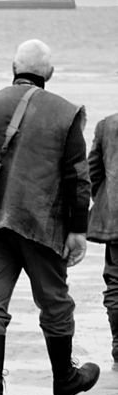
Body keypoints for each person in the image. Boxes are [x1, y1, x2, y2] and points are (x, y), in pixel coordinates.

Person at [0, 38, 99, 395]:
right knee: (55, 305)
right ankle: (64, 380)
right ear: (48, 73)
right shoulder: (66, 113)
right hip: (42, 225)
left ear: (12, 67)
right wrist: (78, 229)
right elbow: (76, 178)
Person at [87, 113, 118, 366]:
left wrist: (106, 202)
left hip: (116, 220)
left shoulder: (108, 125)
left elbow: (92, 173)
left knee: (116, 283)